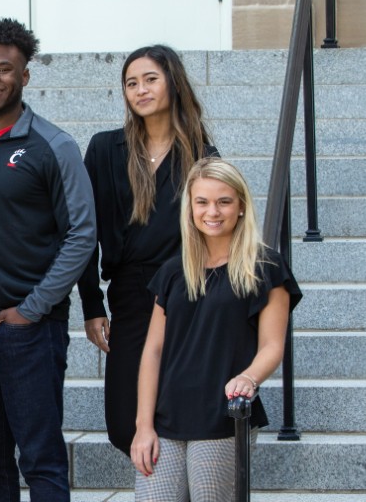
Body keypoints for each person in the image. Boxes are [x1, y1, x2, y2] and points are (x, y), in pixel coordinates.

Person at [0, 18, 96, 502]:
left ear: (25, 76)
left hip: (29, 331)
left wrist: (32, 309)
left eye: (4, 69)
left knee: (41, 461)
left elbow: (82, 235)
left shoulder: (54, 145)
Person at [76, 44, 220, 456]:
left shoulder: (202, 156)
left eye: (150, 79)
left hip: (188, 293)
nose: (140, 90)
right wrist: (91, 305)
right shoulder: (105, 150)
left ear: (173, 83)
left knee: (177, 414)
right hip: (129, 294)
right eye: (131, 83)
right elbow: (84, 233)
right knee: (124, 422)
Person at [130, 158, 302, 500]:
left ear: (240, 206)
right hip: (165, 418)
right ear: (190, 208)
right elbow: (152, 351)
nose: (213, 211)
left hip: (222, 416)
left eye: (224, 201)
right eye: (202, 201)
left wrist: (249, 378)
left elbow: (272, 346)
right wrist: (143, 426)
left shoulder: (265, 268)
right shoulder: (173, 271)